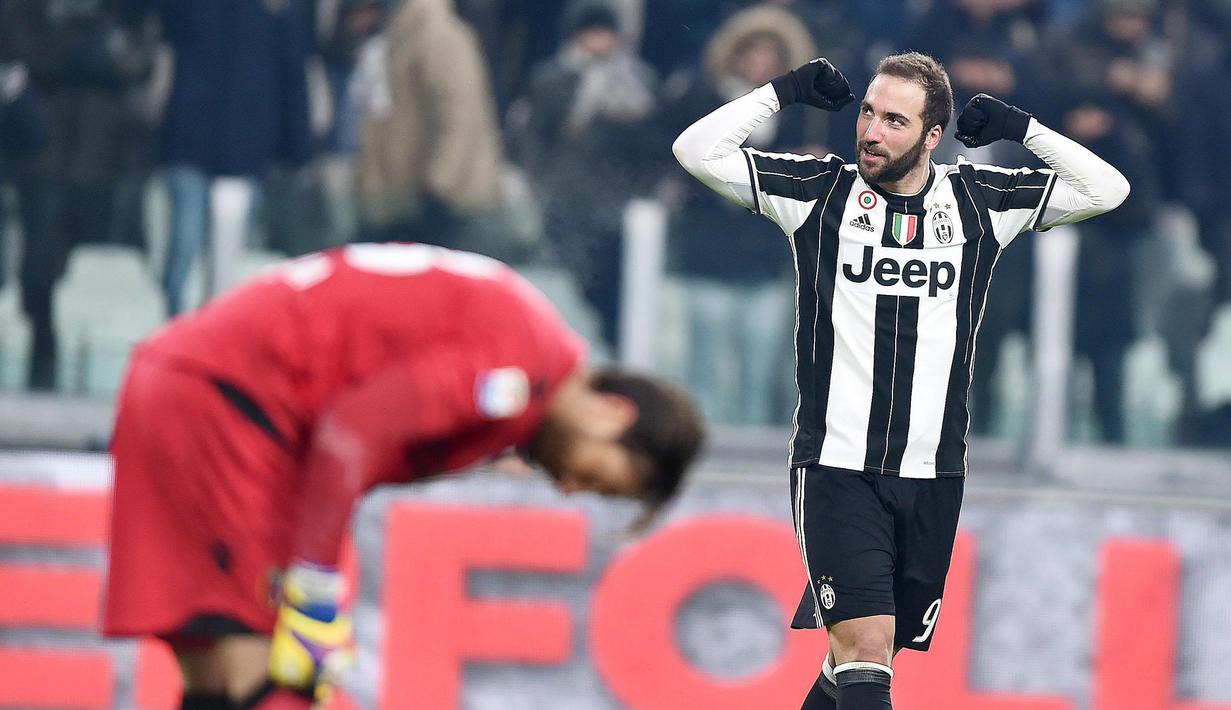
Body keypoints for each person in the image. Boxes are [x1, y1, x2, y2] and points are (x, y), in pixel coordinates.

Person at [673, 52, 1128, 709]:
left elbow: (1105, 190)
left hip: (933, 473)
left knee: (855, 660)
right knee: (864, 645)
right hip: (836, 466)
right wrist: (783, 91)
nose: (870, 131)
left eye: (893, 120)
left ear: (931, 135)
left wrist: (1022, 128)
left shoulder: (978, 202)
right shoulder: (817, 192)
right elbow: (696, 152)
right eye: (866, 112)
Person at [101, 242, 705, 710]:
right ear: (613, 412)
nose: (571, 488)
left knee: (214, 669)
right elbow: (350, 435)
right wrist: (314, 584)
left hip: (196, 383)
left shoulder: (523, 344)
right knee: (277, 672)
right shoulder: (516, 372)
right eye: (599, 478)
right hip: (231, 405)